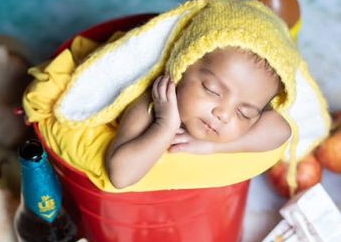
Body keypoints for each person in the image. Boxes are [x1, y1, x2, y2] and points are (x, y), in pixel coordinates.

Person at [106, 46, 291, 189]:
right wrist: (165, 126)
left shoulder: (247, 100)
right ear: (183, 66)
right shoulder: (153, 103)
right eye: (213, 90)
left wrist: (211, 146)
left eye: (244, 113)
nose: (223, 114)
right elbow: (120, 176)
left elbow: (281, 130)